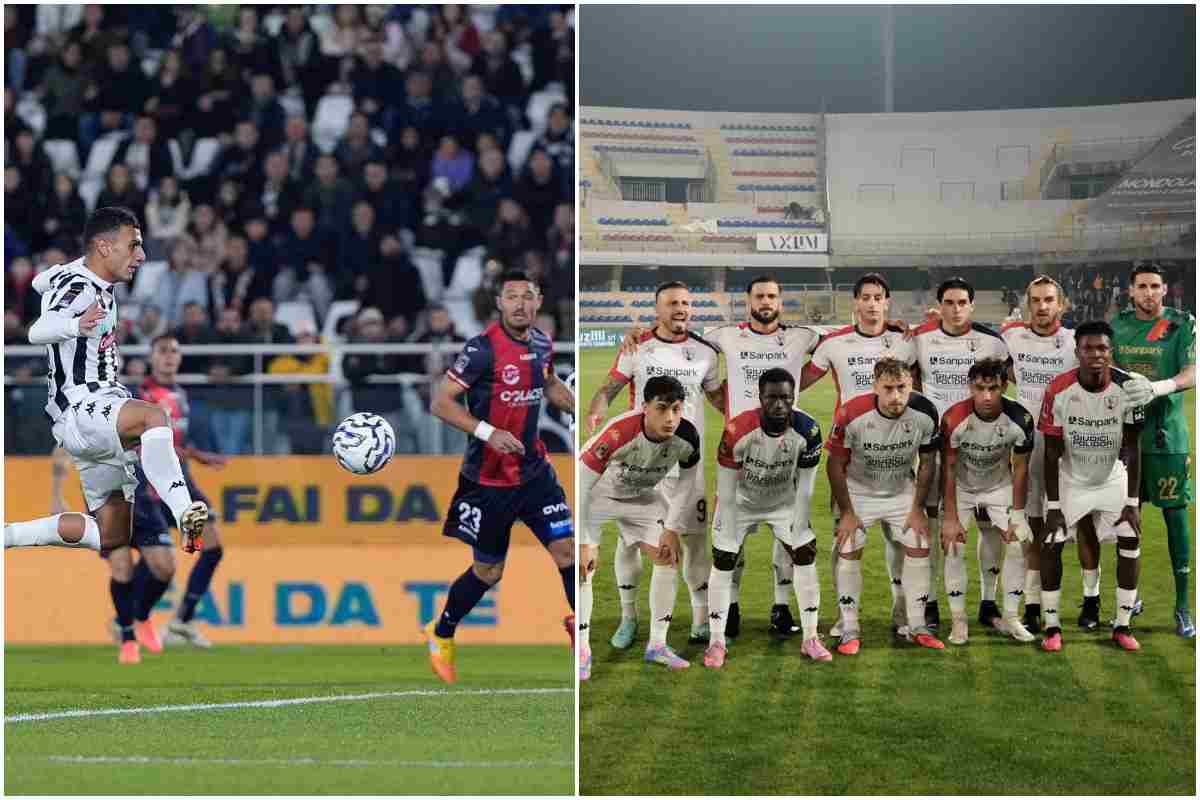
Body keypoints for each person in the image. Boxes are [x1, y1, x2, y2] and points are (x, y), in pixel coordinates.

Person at [4, 207, 207, 664]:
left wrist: (49, 277)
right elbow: (37, 330)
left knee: (111, 536)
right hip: (85, 407)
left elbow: (40, 283)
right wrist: (73, 325)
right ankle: (183, 512)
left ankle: (7, 536)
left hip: (89, 426)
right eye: (133, 244)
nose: (141, 255)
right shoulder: (81, 289)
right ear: (104, 246)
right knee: (154, 418)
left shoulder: (76, 276)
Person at [621, 274, 822, 637]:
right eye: (759, 296)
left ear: (780, 301)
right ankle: (730, 608)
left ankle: (781, 606)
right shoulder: (723, 335)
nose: (766, 302)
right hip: (739, 448)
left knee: (788, 533)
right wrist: (642, 332)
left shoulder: (802, 336)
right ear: (748, 301)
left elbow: (843, 345)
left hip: (786, 444)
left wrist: (895, 327)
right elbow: (678, 334)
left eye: (772, 296)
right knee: (731, 534)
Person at [423, 271, 576, 684]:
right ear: (499, 303)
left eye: (528, 296)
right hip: (488, 480)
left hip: (534, 471)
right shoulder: (481, 349)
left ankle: (579, 631)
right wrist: (488, 432)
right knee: (489, 572)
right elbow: (440, 403)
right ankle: (441, 632)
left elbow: (548, 382)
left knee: (567, 553)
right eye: (512, 297)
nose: (520, 304)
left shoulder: (542, 342)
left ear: (539, 301)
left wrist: (575, 405)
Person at [586, 281, 722, 649]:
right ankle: (628, 618)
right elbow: (609, 388)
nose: (681, 309)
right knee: (630, 542)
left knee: (694, 541)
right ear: (657, 309)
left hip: (687, 461)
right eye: (672, 303)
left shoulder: (706, 352)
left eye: (686, 303)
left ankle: (700, 620)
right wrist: (597, 408)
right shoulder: (638, 347)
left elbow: (718, 398)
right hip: (642, 463)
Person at [799, 273, 916, 638]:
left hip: (898, 453)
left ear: (887, 302)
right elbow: (798, 380)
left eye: (878, 297)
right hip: (850, 456)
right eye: (865, 297)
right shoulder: (834, 344)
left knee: (902, 539)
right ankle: (844, 615)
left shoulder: (906, 342)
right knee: (846, 537)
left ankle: (903, 611)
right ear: (855, 302)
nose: (872, 303)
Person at [578, 376, 702, 678]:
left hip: (643, 496)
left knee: (668, 555)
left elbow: (687, 483)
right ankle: (581, 651)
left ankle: (657, 645)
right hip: (597, 494)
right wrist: (583, 541)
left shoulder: (688, 437)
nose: (670, 418)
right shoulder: (619, 433)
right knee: (583, 567)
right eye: (662, 408)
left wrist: (671, 528)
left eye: (676, 409)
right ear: (645, 407)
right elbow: (581, 483)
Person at [706, 368, 829, 668]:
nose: (779, 404)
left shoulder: (809, 431)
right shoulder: (737, 430)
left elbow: (806, 488)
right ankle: (716, 641)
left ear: (793, 397)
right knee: (724, 558)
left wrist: (800, 527)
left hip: (783, 502)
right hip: (740, 503)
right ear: (760, 397)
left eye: (785, 398)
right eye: (771, 398)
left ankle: (811, 638)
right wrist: (727, 532)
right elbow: (726, 487)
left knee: (805, 551)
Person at [1039, 320, 1145, 652]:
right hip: (1072, 480)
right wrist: (1054, 507)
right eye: (1088, 348)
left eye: (1102, 348)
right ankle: (1052, 627)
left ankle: (1122, 625)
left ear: (1111, 352)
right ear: (1077, 352)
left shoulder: (1129, 388)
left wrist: (1132, 502)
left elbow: (1133, 447)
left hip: (1112, 479)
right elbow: (1051, 451)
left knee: (1131, 537)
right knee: (1051, 541)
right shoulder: (1058, 390)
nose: (1096, 354)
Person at [910, 276, 1009, 632]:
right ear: (940, 306)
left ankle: (988, 601)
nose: (955, 309)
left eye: (962, 302)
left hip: (983, 446)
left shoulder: (992, 343)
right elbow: (910, 381)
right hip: (936, 447)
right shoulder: (920, 339)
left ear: (972, 305)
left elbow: (1005, 385)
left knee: (988, 525)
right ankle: (931, 602)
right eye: (949, 303)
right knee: (935, 525)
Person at [826, 357, 943, 654]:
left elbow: (927, 462)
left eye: (902, 387)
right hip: (858, 492)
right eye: (888, 389)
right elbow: (835, 465)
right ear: (875, 387)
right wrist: (847, 512)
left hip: (901, 490)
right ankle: (849, 627)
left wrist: (917, 508)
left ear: (911, 385)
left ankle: (916, 625)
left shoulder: (926, 413)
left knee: (920, 543)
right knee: (848, 548)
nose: (895, 396)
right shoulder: (851, 413)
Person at [1110, 262, 1196, 637]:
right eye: (1142, 286)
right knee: (1126, 520)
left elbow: (1193, 371)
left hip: (1167, 439)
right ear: (1130, 291)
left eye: (1155, 286)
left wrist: (1157, 388)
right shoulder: (1118, 325)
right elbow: (1107, 365)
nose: (1149, 292)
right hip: (1125, 440)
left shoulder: (1181, 323)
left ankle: (1183, 607)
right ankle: (1130, 599)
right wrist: (1123, 383)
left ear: (1164, 290)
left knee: (1176, 520)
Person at [940, 358, 1036, 644]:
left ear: (1004, 387)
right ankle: (958, 620)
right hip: (962, 488)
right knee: (953, 546)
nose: (986, 396)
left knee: (1018, 542)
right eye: (979, 388)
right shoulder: (953, 418)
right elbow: (948, 468)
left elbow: (1021, 468)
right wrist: (950, 518)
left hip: (998, 486)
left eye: (993, 388)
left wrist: (1018, 515)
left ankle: (1011, 617)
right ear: (970, 387)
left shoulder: (1021, 419)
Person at [1000, 276, 1077, 632]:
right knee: (1031, 523)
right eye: (1036, 300)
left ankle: (1085, 599)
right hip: (1026, 444)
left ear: (1061, 304)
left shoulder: (1075, 341)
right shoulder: (1011, 336)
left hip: (1066, 444)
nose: (1042, 306)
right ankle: (1032, 603)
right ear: (1027, 304)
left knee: (1066, 524)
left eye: (1049, 300)